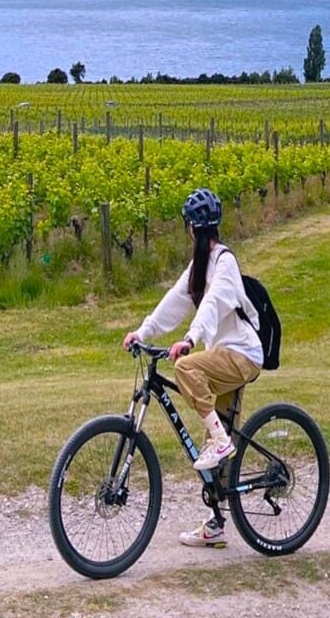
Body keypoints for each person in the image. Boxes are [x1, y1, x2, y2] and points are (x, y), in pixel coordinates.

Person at [123, 186, 262, 549]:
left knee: (186, 369)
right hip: (223, 357)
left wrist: (189, 339)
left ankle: (221, 440)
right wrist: (143, 331)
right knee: (212, 450)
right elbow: (173, 302)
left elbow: (213, 303)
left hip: (243, 354)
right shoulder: (198, 268)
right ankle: (217, 522)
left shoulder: (225, 263)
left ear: (191, 229)